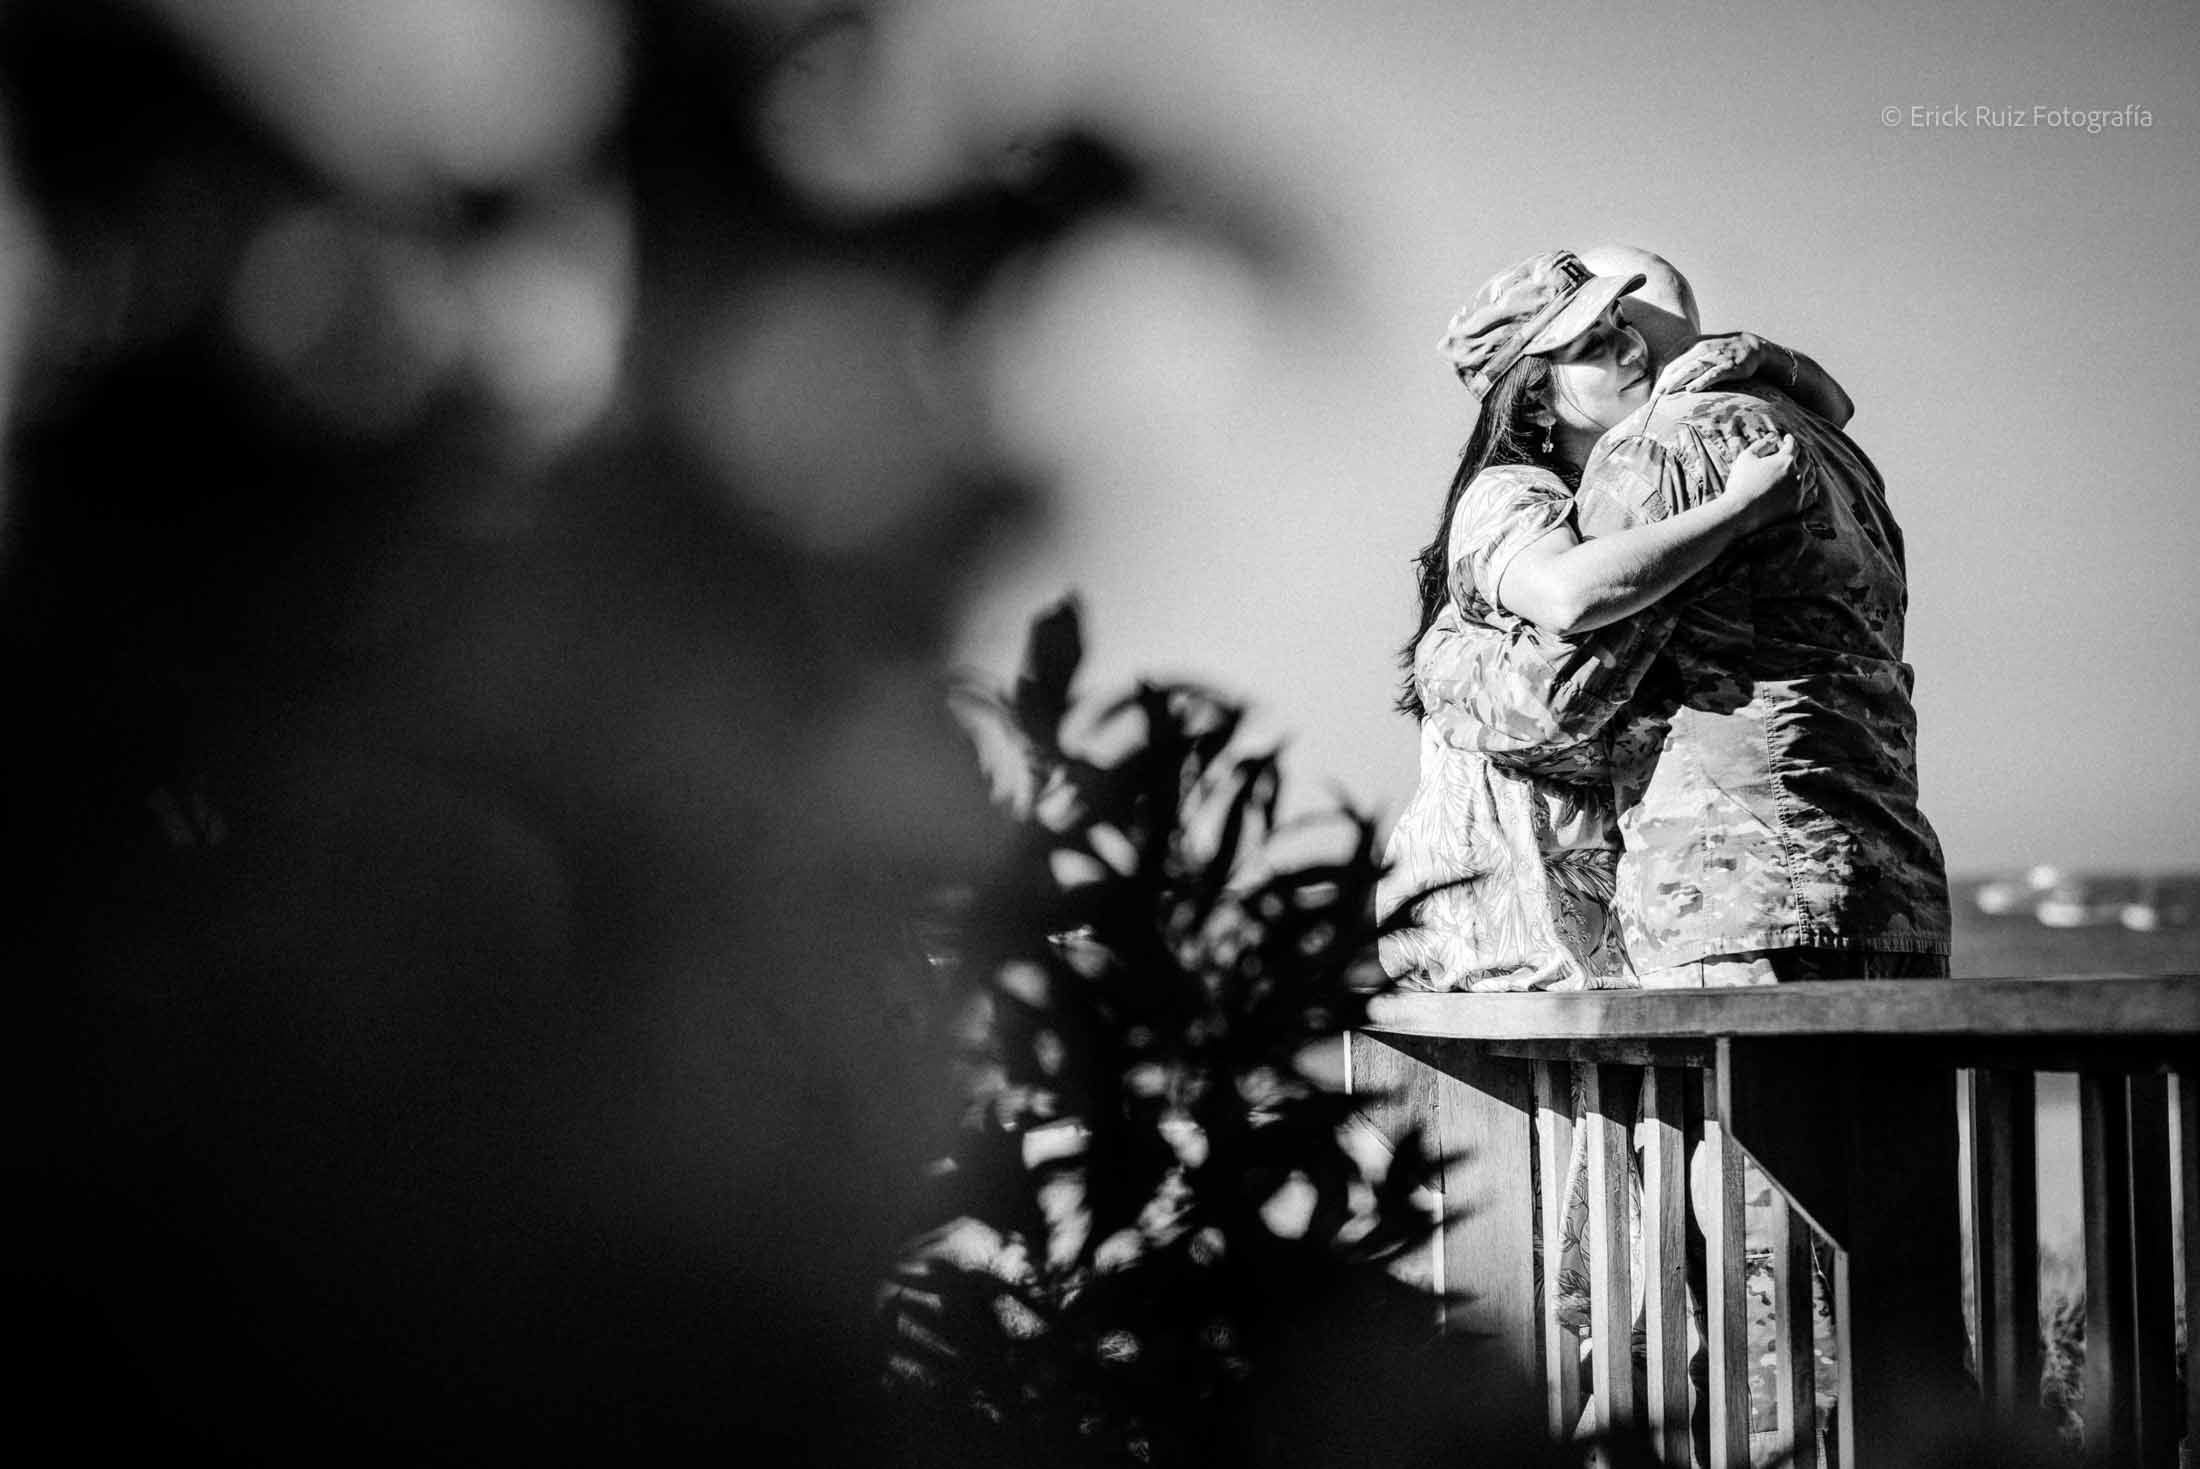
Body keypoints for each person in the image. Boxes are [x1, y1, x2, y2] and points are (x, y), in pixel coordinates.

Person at [1378, 248, 1815, 993]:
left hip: (1574, 913)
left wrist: (1766, 356)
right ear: (1534, 403)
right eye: (1591, 345)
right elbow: (1565, 594)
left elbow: (1836, 412)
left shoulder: (1614, 485)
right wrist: (1740, 509)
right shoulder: (1508, 490)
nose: (1629, 348)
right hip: (1501, 913)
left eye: (1620, 323)